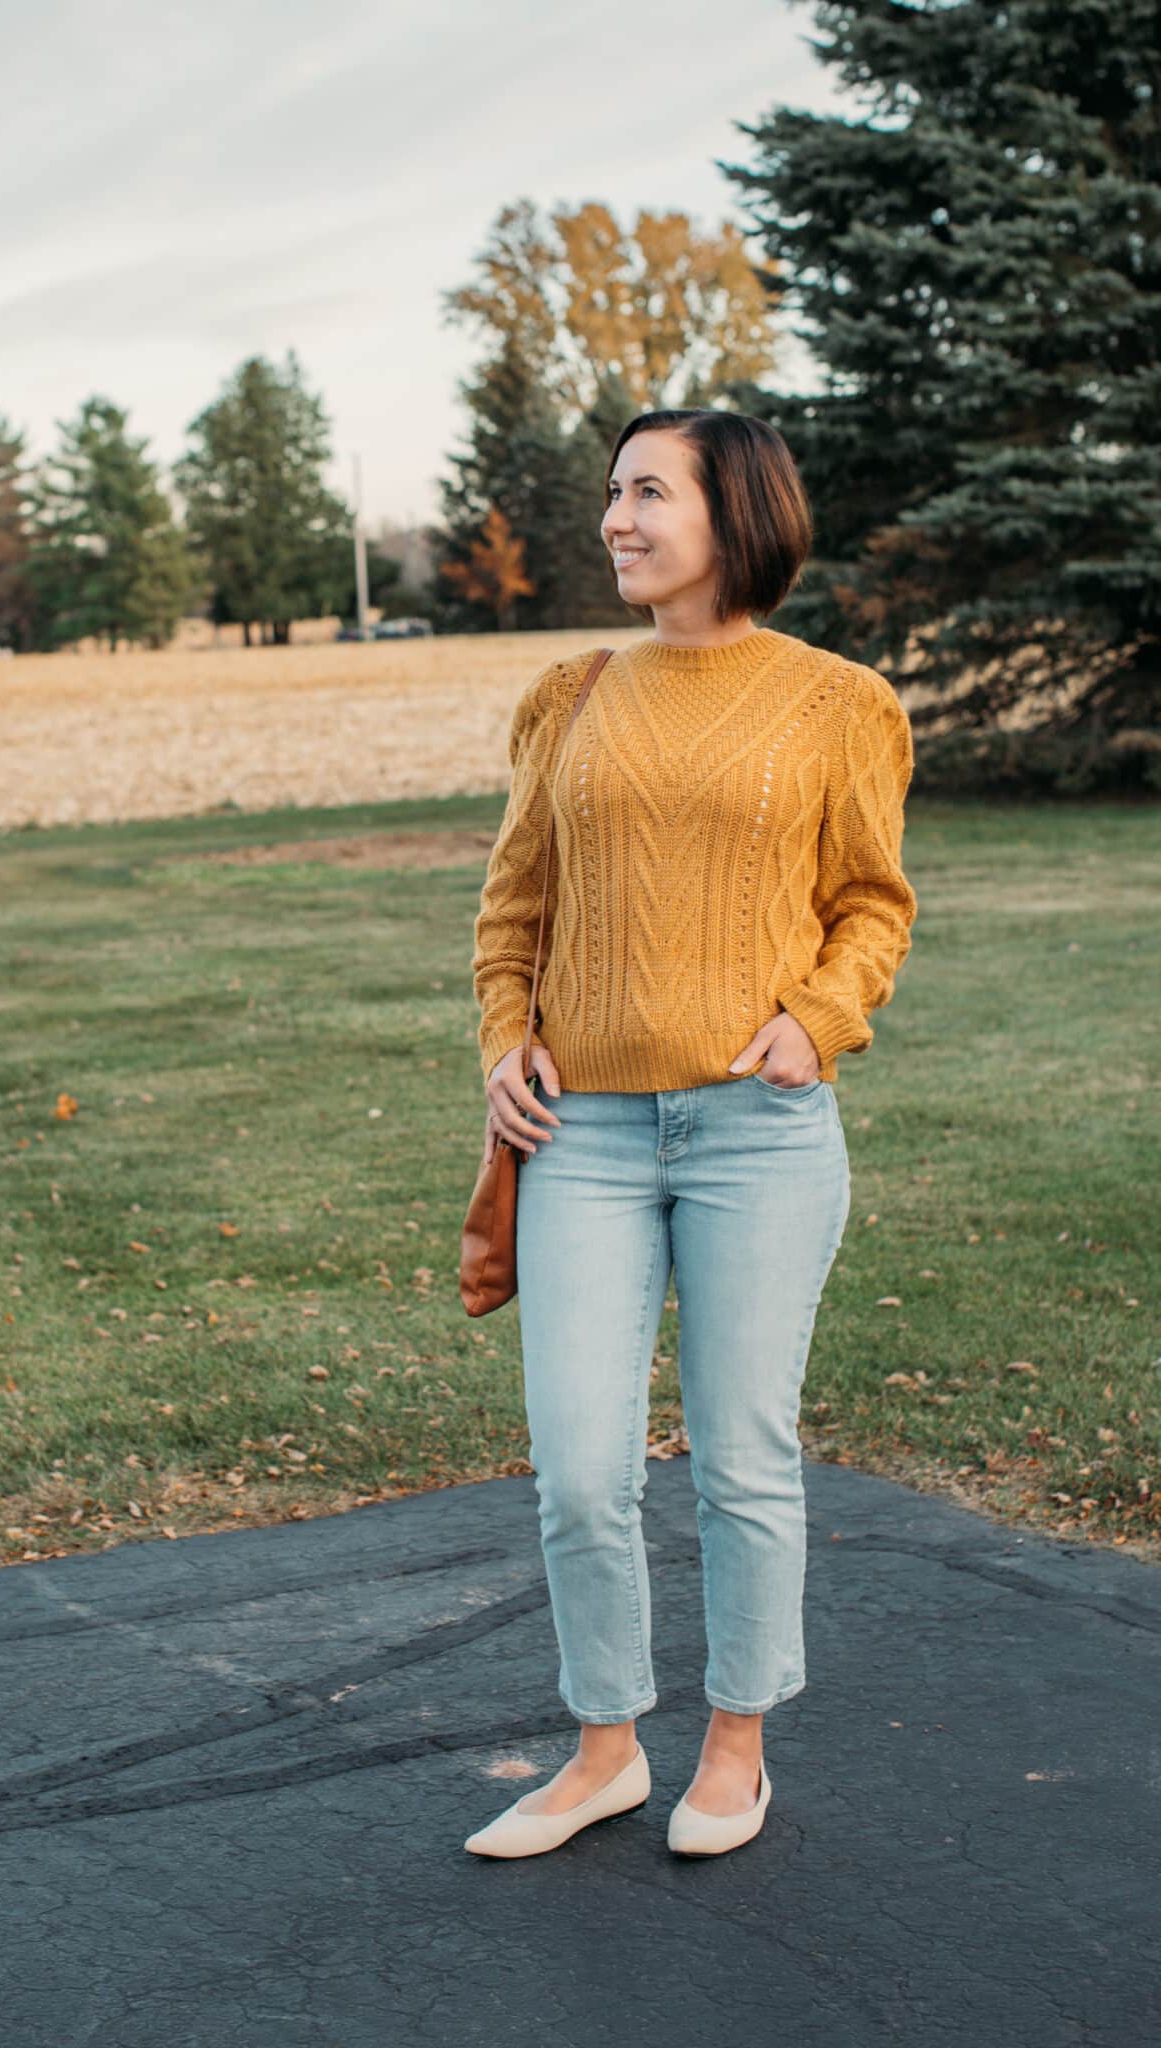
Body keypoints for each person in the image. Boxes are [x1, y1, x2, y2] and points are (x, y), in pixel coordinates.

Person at [463, 407, 917, 1861]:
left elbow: (873, 904)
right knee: (582, 1467)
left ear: (735, 513)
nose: (617, 518)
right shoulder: (571, 697)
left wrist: (820, 1014)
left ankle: (735, 1749)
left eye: (648, 492)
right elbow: (512, 908)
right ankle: (603, 1751)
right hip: (581, 1137)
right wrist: (502, 1043)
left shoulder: (837, 703)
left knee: (741, 1456)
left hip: (757, 1135)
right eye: (612, 494)